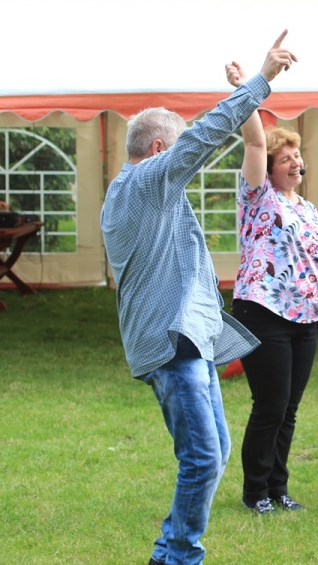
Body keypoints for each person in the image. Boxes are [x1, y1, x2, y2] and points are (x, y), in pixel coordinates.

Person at [99, 32, 296, 565]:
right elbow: (207, 135)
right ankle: (180, 556)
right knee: (204, 458)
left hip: (187, 337)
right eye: (178, 149)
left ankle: (170, 552)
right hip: (171, 341)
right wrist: (261, 80)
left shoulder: (135, 190)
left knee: (217, 451)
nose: (185, 160)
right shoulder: (145, 183)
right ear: (159, 151)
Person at [228, 60, 318, 516]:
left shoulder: (307, 209)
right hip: (263, 311)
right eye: (286, 158)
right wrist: (248, 87)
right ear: (270, 169)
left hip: (306, 316)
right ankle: (255, 491)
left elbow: (316, 266)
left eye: (297, 156)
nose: (295, 161)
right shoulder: (258, 196)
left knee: (289, 408)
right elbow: (255, 140)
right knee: (270, 406)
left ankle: (278, 488)